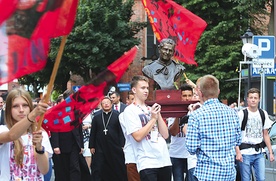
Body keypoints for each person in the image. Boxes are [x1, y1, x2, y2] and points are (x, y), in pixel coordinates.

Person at [186, 75, 241, 181]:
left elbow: (191, 148)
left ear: (200, 93)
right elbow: (238, 141)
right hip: (229, 173)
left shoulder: (196, 115)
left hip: (207, 173)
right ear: (218, 91)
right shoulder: (233, 113)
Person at [123, 75, 172, 181]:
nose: (146, 91)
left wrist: (158, 115)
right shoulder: (130, 110)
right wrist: (153, 119)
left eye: (147, 88)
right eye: (143, 88)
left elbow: (166, 135)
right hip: (147, 161)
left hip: (164, 159)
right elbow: (138, 136)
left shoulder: (151, 109)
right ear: (134, 90)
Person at [0, 88, 51, 180]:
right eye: (15, 106)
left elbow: (44, 170)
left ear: (30, 107)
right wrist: (34, 113)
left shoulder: (40, 133)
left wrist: (39, 148)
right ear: (8, 110)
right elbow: (12, 135)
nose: (21, 110)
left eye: (25, 105)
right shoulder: (2, 130)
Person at [50, 89, 89, 181]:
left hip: (74, 143)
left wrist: (81, 145)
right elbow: (54, 128)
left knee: (75, 167)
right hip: (62, 143)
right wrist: (56, 145)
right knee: (64, 168)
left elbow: (79, 129)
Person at [236, 88, 274, 181]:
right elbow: (235, 135)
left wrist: (270, 152)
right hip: (245, 152)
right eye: (251, 97)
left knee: (261, 178)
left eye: (255, 98)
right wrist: (238, 152)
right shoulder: (241, 114)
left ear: (259, 99)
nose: (253, 100)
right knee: (246, 179)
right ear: (247, 99)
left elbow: (265, 134)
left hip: (259, 152)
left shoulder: (263, 113)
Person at [89, 97, 127, 181]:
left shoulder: (117, 115)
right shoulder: (96, 116)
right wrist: (91, 146)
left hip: (114, 145)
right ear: (101, 105)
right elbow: (93, 132)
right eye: (104, 103)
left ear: (111, 104)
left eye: (107, 102)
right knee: (99, 166)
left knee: (116, 166)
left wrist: (122, 144)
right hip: (99, 146)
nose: (106, 104)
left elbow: (121, 131)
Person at [167, 83, 193, 181]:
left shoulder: (196, 110)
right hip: (176, 154)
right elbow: (173, 132)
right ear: (180, 97)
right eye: (184, 96)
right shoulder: (173, 111)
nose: (187, 98)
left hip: (191, 154)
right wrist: (178, 116)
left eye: (189, 95)